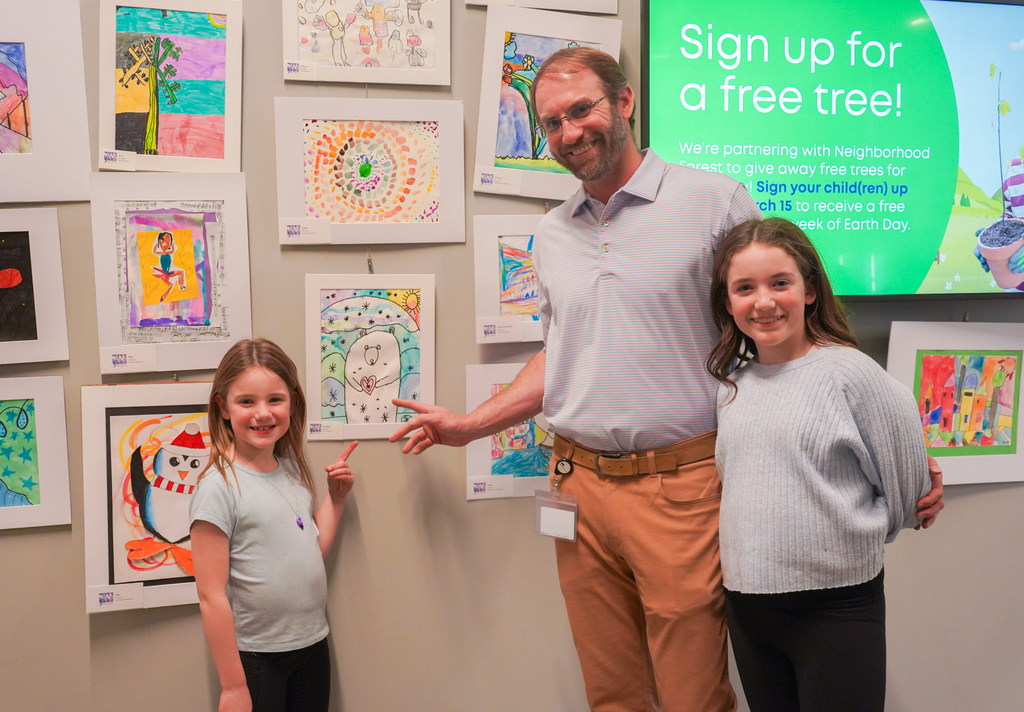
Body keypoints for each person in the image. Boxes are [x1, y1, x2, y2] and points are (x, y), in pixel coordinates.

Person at [389, 48, 945, 712]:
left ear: (624, 103)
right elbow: (564, 354)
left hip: (682, 490)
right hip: (577, 491)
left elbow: (774, 318)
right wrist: (468, 425)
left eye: (581, 109)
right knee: (612, 695)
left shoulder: (712, 200)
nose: (568, 133)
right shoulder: (551, 233)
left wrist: (873, 424)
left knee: (692, 697)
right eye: (551, 122)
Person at [707, 218, 932, 712]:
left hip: (837, 605)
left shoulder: (849, 373)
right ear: (728, 303)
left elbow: (907, 490)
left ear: (809, 290)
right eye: (745, 288)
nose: (763, 301)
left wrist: (850, 540)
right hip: (747, 604)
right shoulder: (730, 385)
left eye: (780, 283)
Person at [190, 338, 358, 712]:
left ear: (292, 402)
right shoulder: (218, 488)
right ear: (223, 406)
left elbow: (311, 549)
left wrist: (337, 498)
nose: (262, 413)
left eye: (275, 400)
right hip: (257, 658)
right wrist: (233, 686)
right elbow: (210, 596)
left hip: (313, 645)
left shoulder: (293, 470)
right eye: (246, 401)